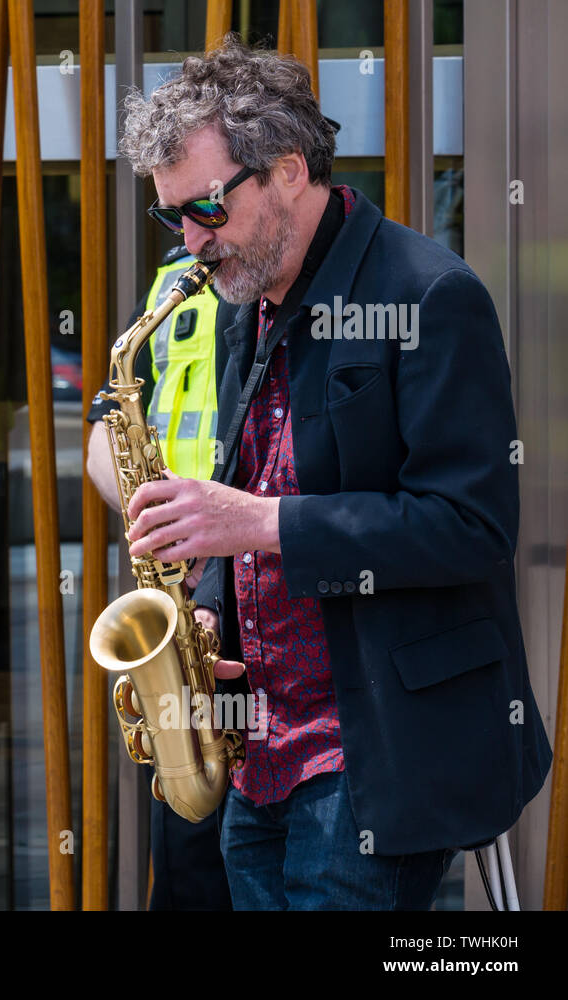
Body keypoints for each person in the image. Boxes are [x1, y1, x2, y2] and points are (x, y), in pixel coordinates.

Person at [119, 38, 551, 910]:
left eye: (205, 208)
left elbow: (471, 525)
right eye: (173, 218)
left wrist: (260, 524)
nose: (192, 242)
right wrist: (206, 614)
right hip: (262, 756)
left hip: (375, 753)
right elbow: (255, 483)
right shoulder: (244, 299)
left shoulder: (429, 295)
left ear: (286, 171)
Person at [85, 245, 235, 910]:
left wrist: (217, 534)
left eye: (197, 206)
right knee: (187, 867)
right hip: (183, 593)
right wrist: (165, 517)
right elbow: (103, 436)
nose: (182, 230)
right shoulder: (176, 281)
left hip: (264, 592)